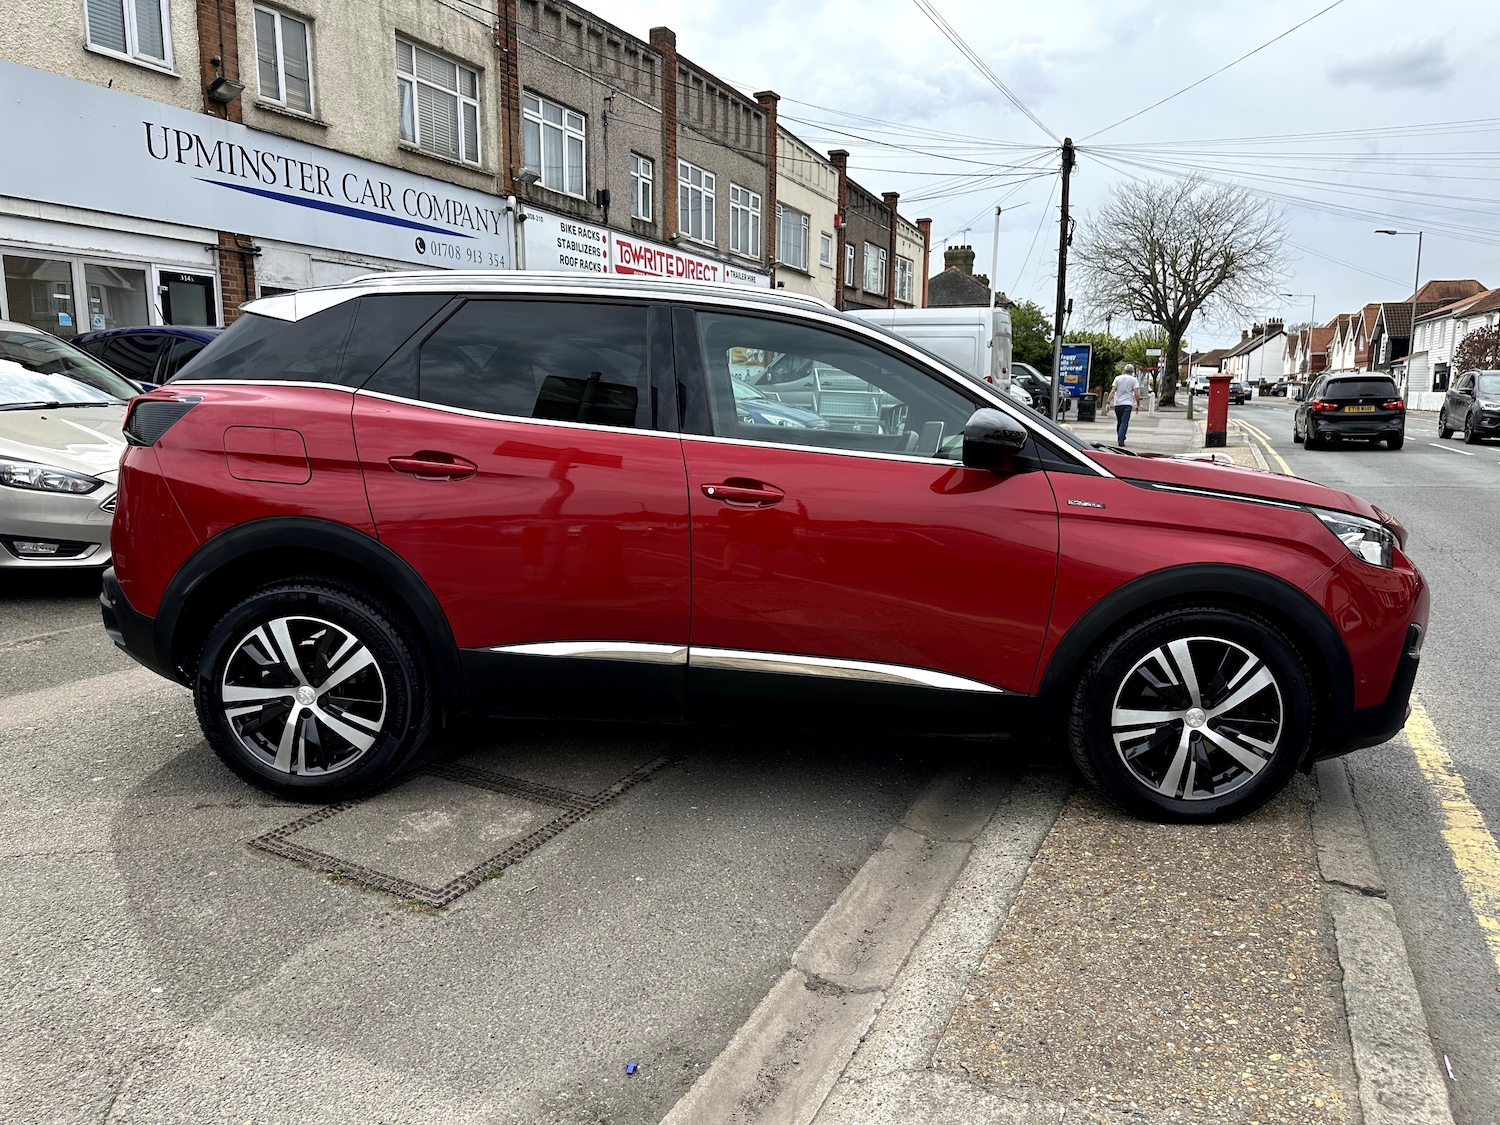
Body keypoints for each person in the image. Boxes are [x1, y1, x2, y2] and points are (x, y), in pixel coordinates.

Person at [1109, 363, 1142, 445]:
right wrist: (1138, 404)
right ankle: (1121, 438)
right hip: (1128, 403)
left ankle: (1120, 436)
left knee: (1119, 421)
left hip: (1118, 403)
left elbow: (1113, 391)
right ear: (1132, 372)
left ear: (1124, 370)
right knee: (1124, 422)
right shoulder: (1134, 380)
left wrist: (1108, 402)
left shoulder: (1117, 378)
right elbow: (1136, 394)